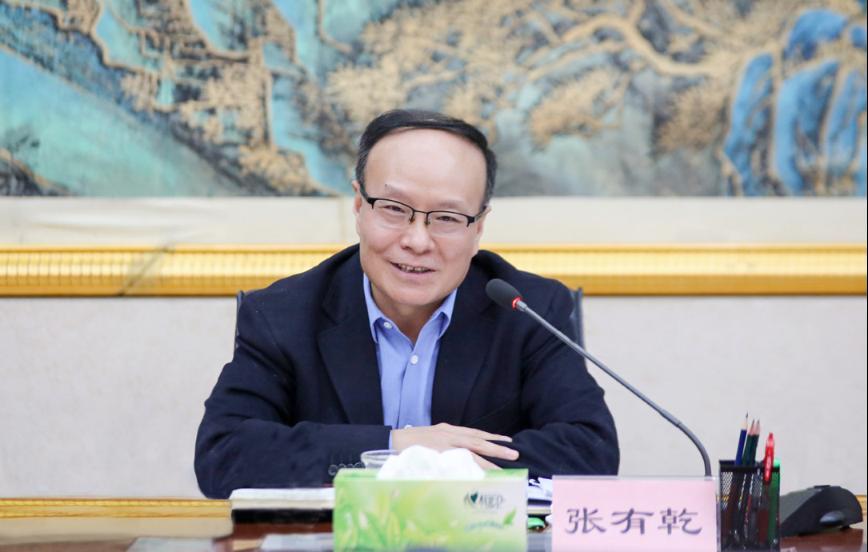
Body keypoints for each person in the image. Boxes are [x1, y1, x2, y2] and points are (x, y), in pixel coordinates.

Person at [194, 110, 618, 499]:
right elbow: (224, 455)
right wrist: (397, 447)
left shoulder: (528, 310)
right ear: (359, 207)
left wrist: (444, 463)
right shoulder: (282, 315)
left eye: (447, 218)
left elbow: (590, 451)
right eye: (394, 210)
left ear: (479, 228)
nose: (417, 241)